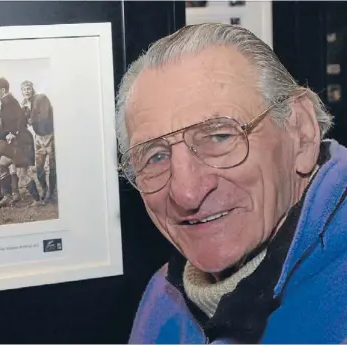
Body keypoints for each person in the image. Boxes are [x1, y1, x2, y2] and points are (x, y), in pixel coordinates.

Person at [116, 23, 347, 344]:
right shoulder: (163, 298)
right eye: (155, 156)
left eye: (219, 136)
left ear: (301, 133)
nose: (187, 192)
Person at [0, 77, 42, 207]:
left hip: (22, 142)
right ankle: (8, 196)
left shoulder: (10, 102)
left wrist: (14, 132)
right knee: (2, 163)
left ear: (3, 90)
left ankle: (37, 200)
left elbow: (21, 120)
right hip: (16, 141)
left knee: (22, 174)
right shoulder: (5, 102)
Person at [21, 80, 57, 203]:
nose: (26, 91)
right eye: (24, 89)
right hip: (38, 137)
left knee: (52, 167)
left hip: (50, 135)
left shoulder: (41, 98)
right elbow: (25, 122)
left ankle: (51, 193)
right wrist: (24, 112)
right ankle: (45, 190)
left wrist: (32, 119)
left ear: (32, 89)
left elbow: (45, 116)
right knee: (39, 167)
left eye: (28, 88)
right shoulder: (26, 103)